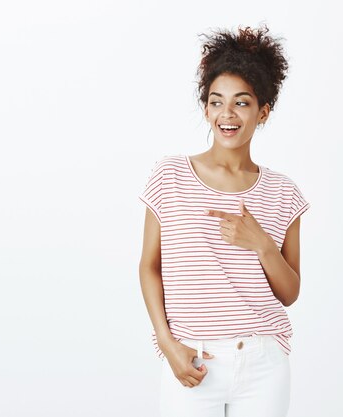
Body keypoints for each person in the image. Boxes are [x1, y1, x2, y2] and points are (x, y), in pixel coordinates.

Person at [138, 24, 310, 417]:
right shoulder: (170, 176)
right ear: (206, 109)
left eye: (242, 103)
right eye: (216, 102)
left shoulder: (284, 194)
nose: (227, 114)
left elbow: (290, 293)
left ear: (263, 111)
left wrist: (262, 244)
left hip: (263, 363)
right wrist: (167, 345)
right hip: (192, 361)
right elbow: (150, 268)